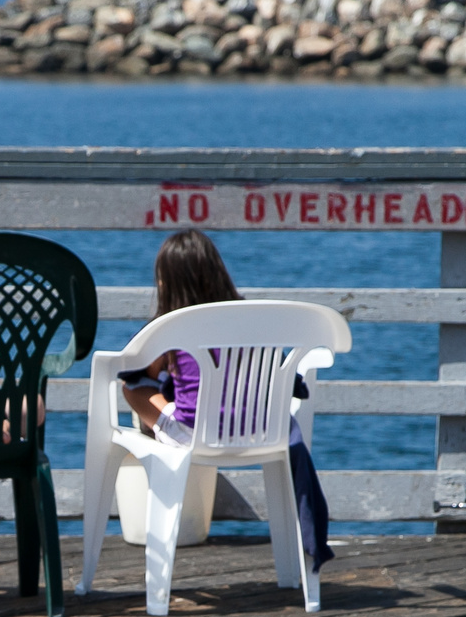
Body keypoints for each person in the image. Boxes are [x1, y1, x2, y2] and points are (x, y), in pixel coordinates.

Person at [120, 228, 334, 572]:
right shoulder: (249, 318)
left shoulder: (171, 326)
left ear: (169, 283)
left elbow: (133, 369)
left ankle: (167, 420)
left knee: (134, 389)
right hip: (259, 431)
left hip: (197, 435)